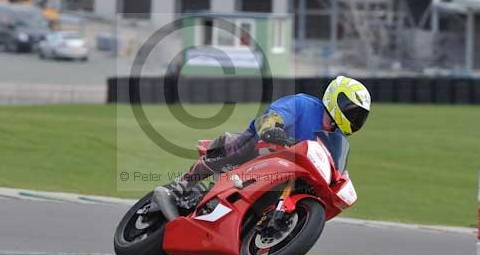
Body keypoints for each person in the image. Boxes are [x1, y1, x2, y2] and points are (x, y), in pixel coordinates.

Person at [152, 75, 371, 220]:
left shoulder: (336, 136)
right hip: (263, 145)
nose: (355, 119)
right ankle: (178, 188)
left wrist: (339, 178)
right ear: (336, 100)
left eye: (359, 116)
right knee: (244, 149)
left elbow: (333, 163)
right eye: (352, 111)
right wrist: (273, 128)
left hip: (290, 171)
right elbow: (274, 115)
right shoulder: (303, 104)